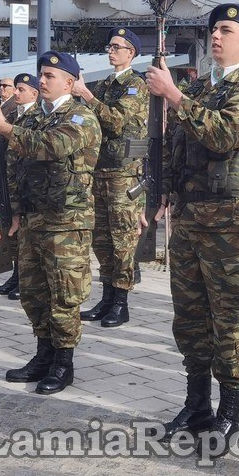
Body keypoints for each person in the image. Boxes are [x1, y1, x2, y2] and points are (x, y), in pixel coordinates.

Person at [146, 3, 239, 456]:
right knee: (190, 318)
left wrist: (176, 98)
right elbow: (174, 148)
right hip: (189, 220)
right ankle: (197, 402)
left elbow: (224, 135)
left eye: (226, 29)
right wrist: (163, 191)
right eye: (213, 30)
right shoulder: (202, 86)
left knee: (229, 320)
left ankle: (229, 411)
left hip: (230, 228)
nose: (215, 37)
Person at [0, 51, 100, 394]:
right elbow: (16, 167)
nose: (43, 80)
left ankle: (63, 363)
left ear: (70, 82)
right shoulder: (33, 116)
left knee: (64, 295)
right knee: (34, 293)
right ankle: (43, 354)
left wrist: (6, 129)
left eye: (51, 75)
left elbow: (53, 146)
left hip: (67, 221)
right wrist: (14, 212)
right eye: (42, 74)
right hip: (34, 218)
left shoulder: (81, 117)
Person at [74, 28, 149, 328]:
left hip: (124, 174)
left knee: (123, 240)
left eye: (118, 47)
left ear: (131, 53)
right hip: (100, 170)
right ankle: (106, 297)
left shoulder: (135, 86)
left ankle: (121, 301)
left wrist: (87, 96)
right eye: (110, 46)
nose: (111, 51)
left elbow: (116, 121)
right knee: (101, 239)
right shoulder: (106, 83)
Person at [0, 72, 41, 300]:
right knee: (11, 230)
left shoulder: (37, 117)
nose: (16, 93)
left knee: (23, 235)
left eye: (21, 90)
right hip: (10, 181)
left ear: (34, 94)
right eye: (16, 89)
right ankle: (16, 275)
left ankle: (24, 278)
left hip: (25, 183)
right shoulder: (16, 116)